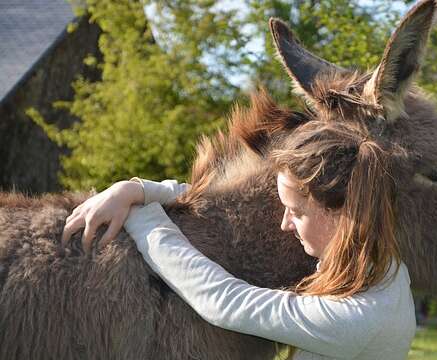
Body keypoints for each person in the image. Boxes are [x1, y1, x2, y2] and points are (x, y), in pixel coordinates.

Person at [62, 120, 416, 359]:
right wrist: (138, 189)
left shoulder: (359, 319)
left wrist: (142, 214)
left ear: (340, 214)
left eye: (297, 211)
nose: (284, 224)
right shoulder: (385, 269)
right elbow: (223, 208)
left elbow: (223, 301)